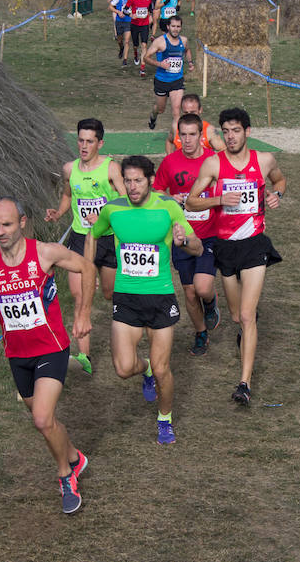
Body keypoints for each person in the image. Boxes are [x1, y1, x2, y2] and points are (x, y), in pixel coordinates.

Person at [0, 197, 94, 514]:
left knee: (41, 418)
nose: (1, 231)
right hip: (17, 354)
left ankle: (66, 477)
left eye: (7, 224)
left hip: (51, 347)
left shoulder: (45, 252)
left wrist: (82, 314)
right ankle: (75, 457)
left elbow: (86, 267)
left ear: (22, 222)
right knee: (45, 420)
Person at [85, 156, 202, 444]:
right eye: (127, 181)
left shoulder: (168, 208)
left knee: (164, 369)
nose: (132, 186)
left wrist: (184, 241)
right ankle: (144, 368)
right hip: (126, 298)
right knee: (124, 368)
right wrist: (88, 266)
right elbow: (92, 233)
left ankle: (165, 419)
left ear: (150, 180)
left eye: (138, 180)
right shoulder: (113, 211)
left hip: (160, 296)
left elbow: (198, 248)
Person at [186, 108, 286, 406]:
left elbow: (280, 181)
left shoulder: (264, 160)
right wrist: (218, 199)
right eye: (226, 131)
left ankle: (244, 383)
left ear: (247, 132)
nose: (230, 137)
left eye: (236, 131)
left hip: (255, 245)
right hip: (226, 247)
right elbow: (191, 202)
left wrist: (276, 195)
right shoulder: (213, 164)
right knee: (235, 316)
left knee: (245, 315)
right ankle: (246, 325)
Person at [45, 118, 126, 374]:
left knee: (108, 294)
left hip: (108, 238)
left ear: (100, 143)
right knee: (80, 296)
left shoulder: (112, 169)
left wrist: (104, 214)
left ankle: (125, 332)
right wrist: (58, 213)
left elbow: (126, 201)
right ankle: (84, 357)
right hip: (80, 238)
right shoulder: (69, 169)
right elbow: (68, 195)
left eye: (89, 141)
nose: (84, 145)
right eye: (80, 140)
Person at [153, 113, 221, 355]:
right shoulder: (170, 162)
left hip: (209, 234)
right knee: (190, 291)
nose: (189, 139)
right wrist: (170, 198)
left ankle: (211, 304)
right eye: (184, 135)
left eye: (193, 134)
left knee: (202, 288)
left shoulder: (214, 162)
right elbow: (157, 191)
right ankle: (201, 332)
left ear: (201, 137)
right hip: (181, 235)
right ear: (178, 137)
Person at [144, 15, 193, 138]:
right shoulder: (160, 42)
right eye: (173, 26)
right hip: (162, 81)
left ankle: (177, 140)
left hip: (177, 80)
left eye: (178, 26)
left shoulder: (184, 40)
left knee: (176, 112)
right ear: (168, 27)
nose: (176, 29)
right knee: (160, 109)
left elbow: (187, 50)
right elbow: (146, 57)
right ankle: (153, 116)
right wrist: (159, 64)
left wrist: (190, 63)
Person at [124, 0, 154, 76]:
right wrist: (130, 15)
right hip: (135, 24)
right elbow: (125, 10)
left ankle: (142, 68)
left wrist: (150, 17)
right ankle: (135, 53)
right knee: (135, 44)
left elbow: (150, 9)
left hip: (144, 25)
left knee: (144, 45)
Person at [109, 0, 134, 67]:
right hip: (119, 21)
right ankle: (121, 48)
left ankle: (125, 60)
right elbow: (110, 7)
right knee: (120, 40)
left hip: (128, 21)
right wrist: (118, 12)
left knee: (127, 41)